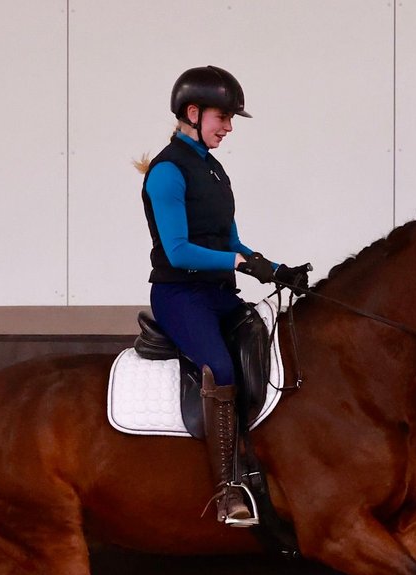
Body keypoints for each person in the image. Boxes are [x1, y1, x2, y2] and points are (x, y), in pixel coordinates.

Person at [140, 65, 310, 527]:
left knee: (267, 347)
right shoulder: (167, 172)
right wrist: (238, 264)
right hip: (181, 297)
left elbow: (230, 242)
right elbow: (176, 251)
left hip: (218, 293)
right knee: (220, 367)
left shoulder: (213, 170)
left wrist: (275, 269)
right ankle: (226, 488)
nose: (229, 128)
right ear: (193, 113)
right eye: (224, 117)